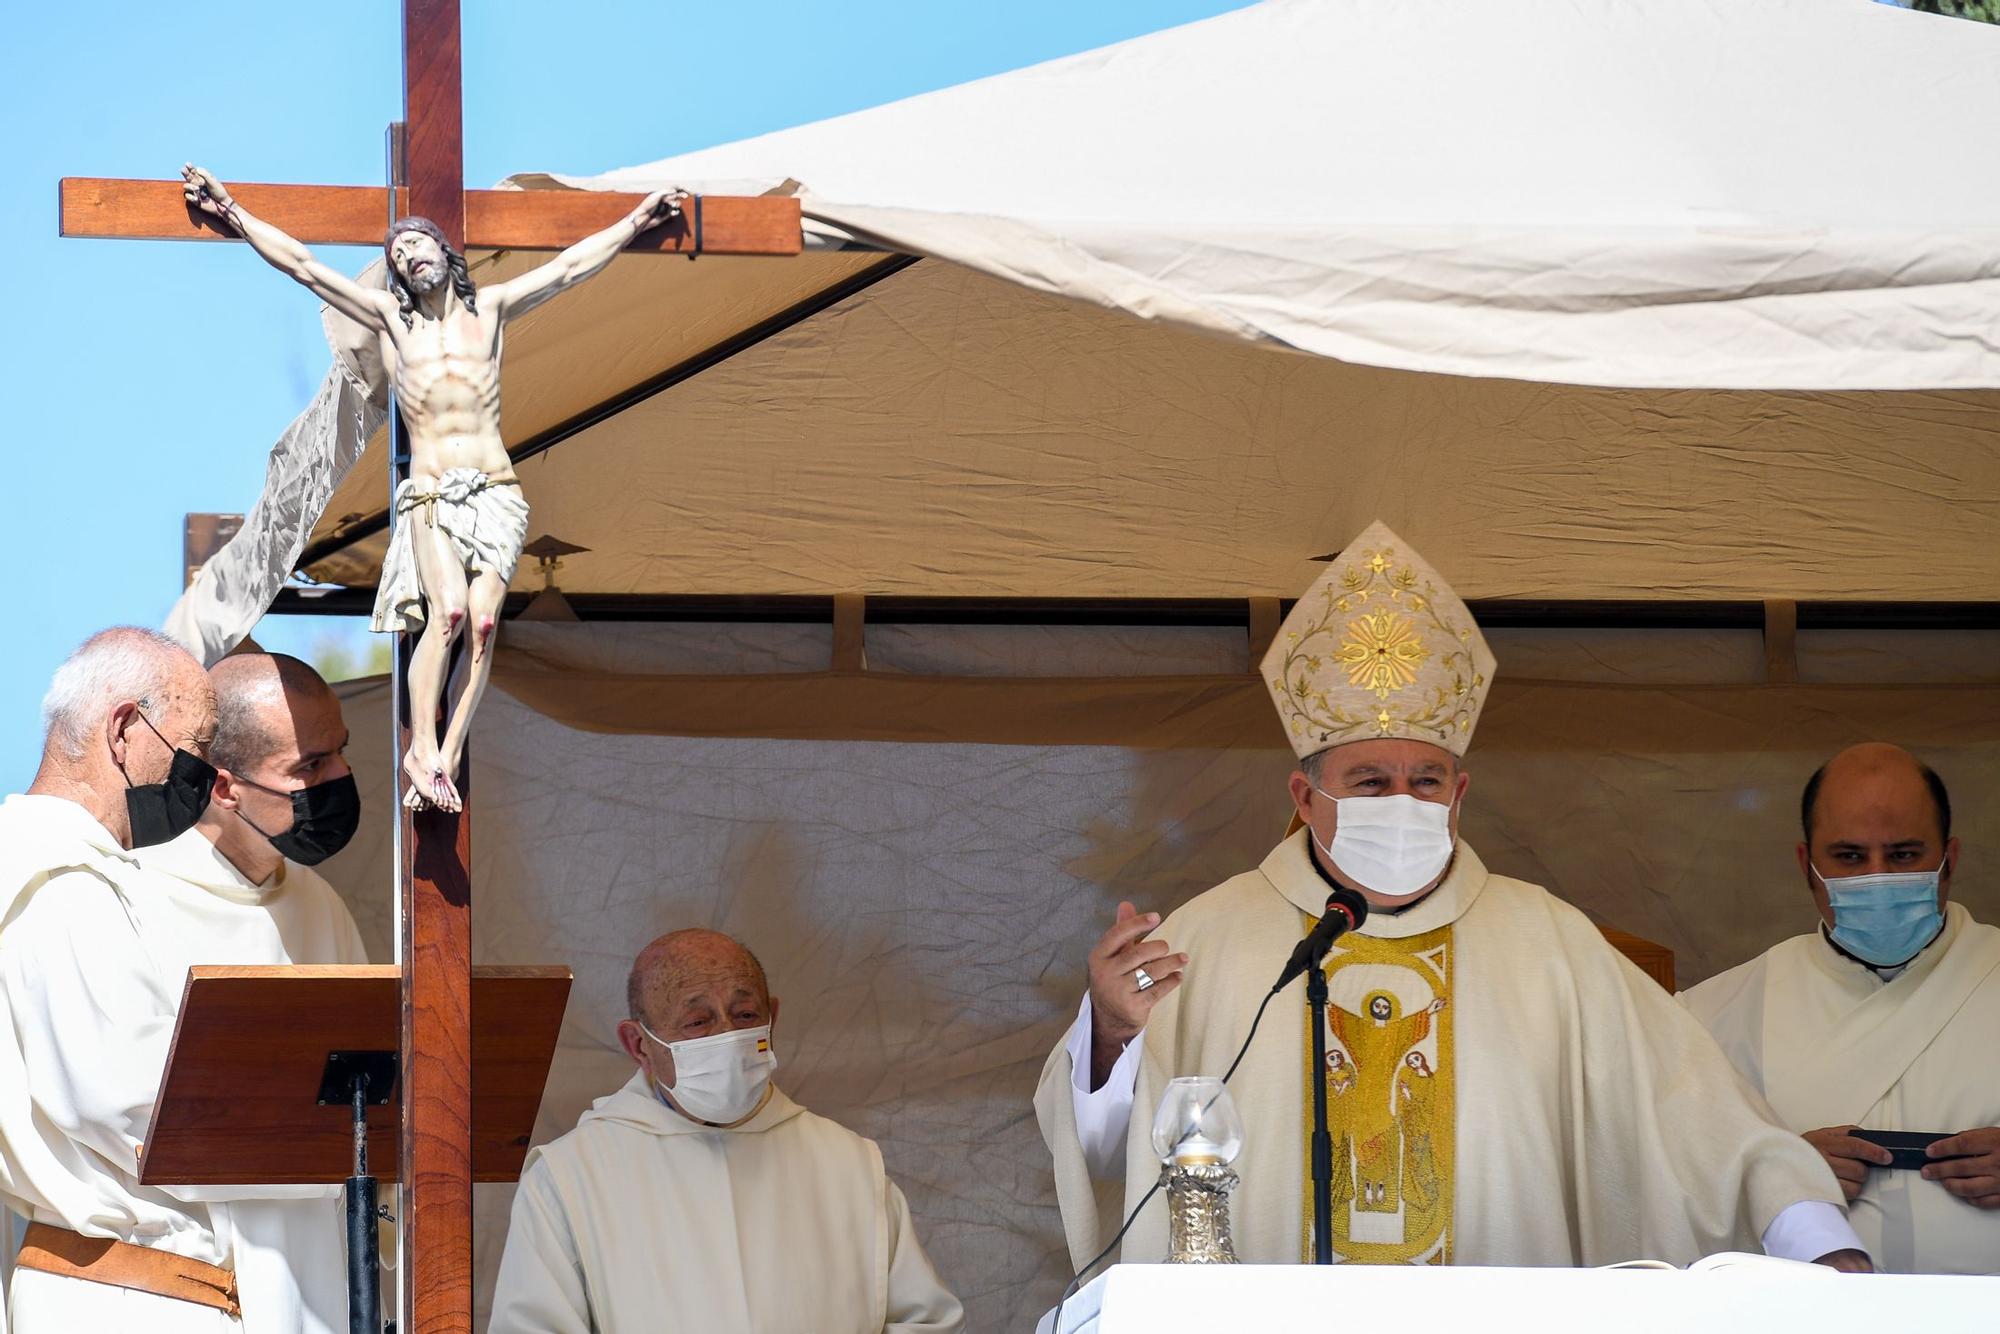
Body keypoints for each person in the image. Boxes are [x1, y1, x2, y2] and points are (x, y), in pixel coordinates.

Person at [1034, 522, 1868, 1272]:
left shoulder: (1547, 940)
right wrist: (1110, 1035)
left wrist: (1820, 1244)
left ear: (1460, 794)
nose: (1402, 801)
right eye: (1369, 780)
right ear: (1302, 798)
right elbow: (1121, 1161)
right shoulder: (1209, 938)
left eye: (1424, 780)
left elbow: (1692, 1112)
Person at [181, 162, 685, 813]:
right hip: (433, 493)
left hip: (496, 491)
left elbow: (568, 268)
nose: (410, 257)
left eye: (418, 245)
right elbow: (305, 266)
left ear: (444, 253)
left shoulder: (493, 309)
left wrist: (638, 221)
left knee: (480, 624)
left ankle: (445, 757)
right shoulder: (395, 321)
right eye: (399, 255)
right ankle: (422, 747)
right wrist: (234, 212)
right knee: (445, 615)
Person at [0, 649, 370, 1332]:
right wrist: (350, 1139)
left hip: (279, 1291)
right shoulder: (75, 880)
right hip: (134, 1293)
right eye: (310, 766)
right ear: (122, 730)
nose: (192, 778)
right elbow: (133, 1108)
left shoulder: (323, 910)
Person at [490, 929, 964, 1334]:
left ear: (772, 1018)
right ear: (639, 1044)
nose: (726, 1037)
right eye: (697, 1022)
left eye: (744, 1015)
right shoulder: (572, 1178)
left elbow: (924, 1322)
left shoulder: (849, 1165)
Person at [1681, 743, 2000, 1273]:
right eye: (1849, 856)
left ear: (1950, 860)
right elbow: (1663, 1183)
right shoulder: (1713, 1016)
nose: (1877, 877)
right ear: (1808, 864)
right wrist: (1776, 1177)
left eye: (1903, 855)